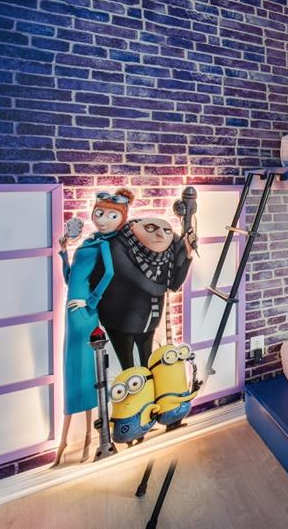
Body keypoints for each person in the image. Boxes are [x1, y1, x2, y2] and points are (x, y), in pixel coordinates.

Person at [53, 189, 134, 467]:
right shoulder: (88, 241)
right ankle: (76, 438)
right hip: (71, 309)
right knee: (72, 368)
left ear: (121, 219)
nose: (102, 220)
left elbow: (109, 273)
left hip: (84, 312)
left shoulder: (105, 245)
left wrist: (90, 301)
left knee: (85, 369)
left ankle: (88, 437)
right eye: (99, 213)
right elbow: (71, 278)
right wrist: (64, 252)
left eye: (112, 216)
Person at [96, 217, 193, 370]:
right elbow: (145, 283)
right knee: (128, 369)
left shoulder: (166, 253)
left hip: (149, 319)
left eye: (167, 231)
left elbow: (174, 285)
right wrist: (164, 288)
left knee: (148, 364)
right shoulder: (118, 244)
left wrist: (187, 253)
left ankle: (149, 385)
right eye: (150, 228)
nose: (160, 234)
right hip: (120, 320)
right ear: (133, 227)